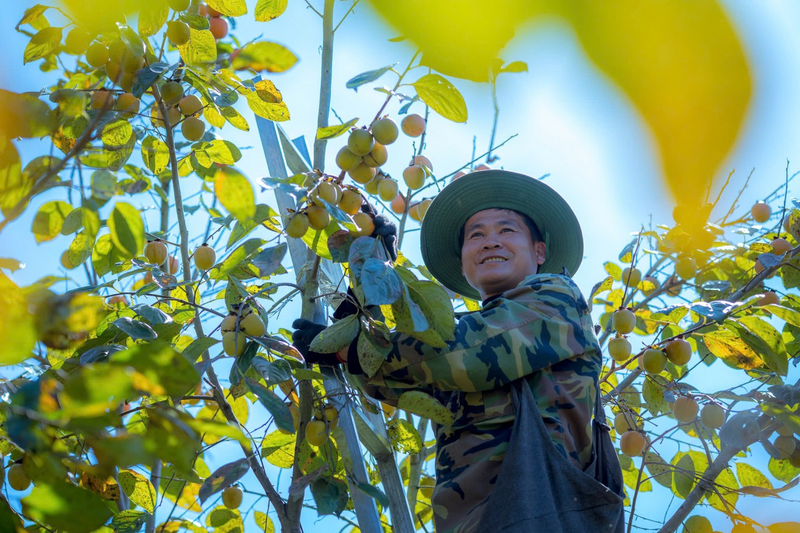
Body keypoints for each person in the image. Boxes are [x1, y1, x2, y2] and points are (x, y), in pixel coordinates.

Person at [293, 170, 624, 532]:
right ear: (465, 264)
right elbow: (387, 381)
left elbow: (473, 351)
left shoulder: (557, 298)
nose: (490, 241)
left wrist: (346, 349)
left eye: (507, 230)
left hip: (542, 516)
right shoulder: (448, 340)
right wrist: (372, 274)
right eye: (476, 235)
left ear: (539, 251)